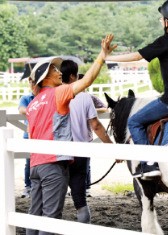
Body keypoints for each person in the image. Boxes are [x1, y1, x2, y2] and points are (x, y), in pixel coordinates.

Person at [105, 0, 168, 178]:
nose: (161, 21)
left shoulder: (166, 41)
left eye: (162, 18)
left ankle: (149, 164)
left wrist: (109, 57)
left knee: (134, 122)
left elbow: (138, 55)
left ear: (167, 22)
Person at [25, 34, 115, 235]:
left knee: (34, 214)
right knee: (51, 217)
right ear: (46, 77)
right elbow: (88, 80)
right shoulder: (59, 93)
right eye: (54, 69)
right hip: (54, 164)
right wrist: (102, 55)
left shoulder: (32, 104)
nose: (59, 72)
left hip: (35, 165)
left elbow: (32, 133)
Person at [60, 59, 113, 223]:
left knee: (53, 196)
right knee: (80, 198)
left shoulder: (52, 95)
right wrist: (112, 148)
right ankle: (83, 225)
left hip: (57, 152)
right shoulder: (84, 97)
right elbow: (96, 125)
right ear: (73, 76)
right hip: (80, 153)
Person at [18, 76, 35, 198]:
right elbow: (21, 110)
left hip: (42, 135)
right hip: (28, 134)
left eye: (34, 82)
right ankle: (28, 186)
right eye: (30, 82)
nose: (32, 84)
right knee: (28, 161)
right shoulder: (26, 98)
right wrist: (37, 109)